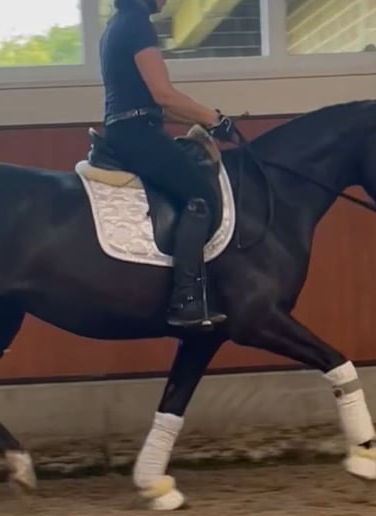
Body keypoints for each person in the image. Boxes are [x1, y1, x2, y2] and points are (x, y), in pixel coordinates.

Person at [99, 0, 239, 331]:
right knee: (200, 194)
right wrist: (215, 118)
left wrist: (206, 121)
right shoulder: (137, 24)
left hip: (128, 128)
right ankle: (186, 299)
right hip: (138, 135)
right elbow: (164, 95)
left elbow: (157, 105)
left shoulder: (117, 25)